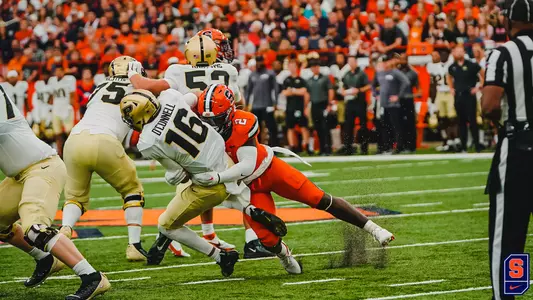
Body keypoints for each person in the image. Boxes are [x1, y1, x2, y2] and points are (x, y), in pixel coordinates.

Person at [194, 83, 394, 273]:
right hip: (248, 188)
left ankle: (375, 229)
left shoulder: (244, 121)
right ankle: (285, 256)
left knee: (319, 198)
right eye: (206, 120)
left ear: (229, 113)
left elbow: (246, 165)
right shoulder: (200, 122)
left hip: (269, 169)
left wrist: (217, 177)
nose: (211, 125)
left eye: (216, 119)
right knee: (267, 239)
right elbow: (182, 99)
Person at [119, 86, 286, 272]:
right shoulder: (170, 97)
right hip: (224, 157)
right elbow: (198, 94)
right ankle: (250, 209)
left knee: (167, 225)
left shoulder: (148, 141)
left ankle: (220, 256)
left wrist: (173, 172)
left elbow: (177, 175)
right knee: (225, 189)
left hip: (208, 182)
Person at [127, 32, 240, 256]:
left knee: (195, 183)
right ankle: (171, 234)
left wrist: (132, 75)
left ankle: (202, 233)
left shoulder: (177, 71)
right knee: (222, 185)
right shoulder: (228, 71)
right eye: (220, 45)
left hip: (188, 136)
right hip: (217, 133)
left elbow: (151, 86)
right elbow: (236, 100)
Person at [0, 85, 110, 299]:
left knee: (35, 228)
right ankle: (45, 258)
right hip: (18, 176)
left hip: (42, 167)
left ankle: (92, 277)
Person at [60, 56, 149, 262]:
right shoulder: (138, 86)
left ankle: (65, 229)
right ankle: (134, 245)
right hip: (105, 140)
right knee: (132, 191)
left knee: (74, 198)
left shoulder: (100, 85)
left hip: (74, 139)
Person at [482, 0, 533, 298]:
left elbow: (489, 105)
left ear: (509, 21)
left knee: (510, 236)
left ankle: (508, 294)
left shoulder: (503, 54)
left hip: (517, 150)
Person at [447, 44, 484, 152]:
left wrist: (479, 86)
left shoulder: (471, 65)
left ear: (464, 52)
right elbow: (448, 76)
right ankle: (463, 146)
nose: (458, 53)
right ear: (453, 53)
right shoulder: (452, 66)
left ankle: (477, 145)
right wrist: (451, 88)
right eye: (456, 51)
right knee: (461, 122)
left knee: (473, 121)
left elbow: (482, 73)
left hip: (469, 95)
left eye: (460, 51)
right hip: (458, 96)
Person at [373, 55, 411, 153]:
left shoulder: (395, 72)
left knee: (396, 126)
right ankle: (387, 147)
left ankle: (399, 147)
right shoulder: (380, 73)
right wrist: (376, 94)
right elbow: (373, 85)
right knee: (385, 126)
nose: (385, 63)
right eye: (384, 62)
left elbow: (406, 82)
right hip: (383, 104)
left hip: (393, 105)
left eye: (387, 61)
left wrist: (398, 96)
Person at [427, 51, 460, 152]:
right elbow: (432, 84)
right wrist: (431, 100)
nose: (441, 56)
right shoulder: (431, 66)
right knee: (442, 118)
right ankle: (447, 141)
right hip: (439, 93)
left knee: (452, 117)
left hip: (450, 92)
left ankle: (456, 140)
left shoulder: (451, 64)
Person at [339, 56, 371, 155]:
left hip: (360, 101)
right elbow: (343, 87)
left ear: (356, 62)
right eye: (349, 62)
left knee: (363, 125)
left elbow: (368, 85)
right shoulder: (347, 74)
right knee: (348, 125)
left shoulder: (361, 73)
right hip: (350, 102)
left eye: (352, 61)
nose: (351, 64)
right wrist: (344, 92)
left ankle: (364, 148)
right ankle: (348, 147)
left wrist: (359, 90)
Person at [246, 55, 279, 147]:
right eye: (258, 61)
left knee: (272, 128)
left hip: (267, 105)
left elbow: (275, 89)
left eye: (261, 61)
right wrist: (247, 103)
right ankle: (257, 147)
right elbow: (248, 91)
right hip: (256, 106)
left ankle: (275, 147)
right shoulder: (252, 75)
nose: (259, 63)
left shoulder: (270, 73)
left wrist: (275, 102)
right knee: (256, 129)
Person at [281, 59, 310, 154]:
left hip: (300, 107)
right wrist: (296, 91)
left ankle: (306, 146)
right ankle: (293, 148)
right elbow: (284, 92)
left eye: (293, 66)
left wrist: (292, 91)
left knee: (303, 127)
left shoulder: (301, 80)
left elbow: (304, 91)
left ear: (296, 67)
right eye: (290, 66)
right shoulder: (287, 80)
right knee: (290, 128)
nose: (292, 68)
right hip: (290, 108)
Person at [306, 59, 334, 155]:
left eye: (316, 66)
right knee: (317, 128)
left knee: (325, 127)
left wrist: (329, 104)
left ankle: (328, 149)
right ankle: (322, 149)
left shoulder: (325, 78)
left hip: (323, 104)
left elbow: (330, 91)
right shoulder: (309, 80)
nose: (315, 68)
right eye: (313, 67)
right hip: (314, 105)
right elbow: (308, 94)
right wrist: (306, 106)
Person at [48, 65, 76, 157]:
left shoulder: (70, 79)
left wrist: (71, 107)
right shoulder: (52, 80)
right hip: (56, 109)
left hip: (66, 108)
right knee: (57, 133)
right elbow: (51, 96)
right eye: (56, 71)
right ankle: (59, 153)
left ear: (64, 71)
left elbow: (72, 95)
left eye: (60, 71)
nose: (58, 73)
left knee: (69, 132)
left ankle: (72, 152)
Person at [398, 53, 420, 152]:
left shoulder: (413, 73)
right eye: (401, 59)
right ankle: (401, 146)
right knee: (399, 123)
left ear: (407, 60)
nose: (402, 61)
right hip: (398, 101)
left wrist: (412, 95)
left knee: (410, 123)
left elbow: (419, 90)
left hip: (408, 100)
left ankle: (411, 146)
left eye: (404, 59)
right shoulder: (396, 72)